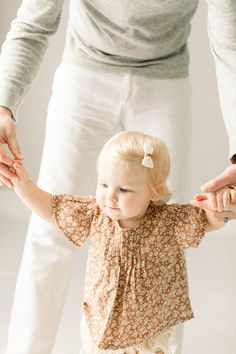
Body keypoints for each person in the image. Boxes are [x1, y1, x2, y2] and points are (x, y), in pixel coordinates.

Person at [0, 2, 236, 354]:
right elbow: (33, 25)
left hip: (164, 80)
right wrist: (4, 104)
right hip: (85, 74)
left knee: (164, 237)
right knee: (49, 233)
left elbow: (229, 45)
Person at [8, 131, 235, 354]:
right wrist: (23, 184)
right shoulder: (95, 213)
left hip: (149, 328)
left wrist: (219, 208)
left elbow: (206, 220)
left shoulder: (169, 220)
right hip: (102, 318)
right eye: (104, 184)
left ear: (155, 191)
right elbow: (52, 209)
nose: (110, 196)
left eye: (124, 189)